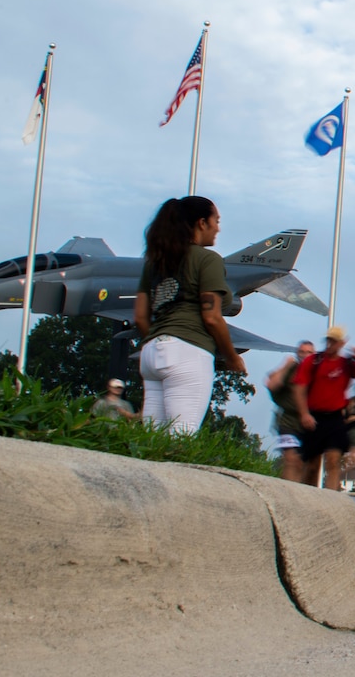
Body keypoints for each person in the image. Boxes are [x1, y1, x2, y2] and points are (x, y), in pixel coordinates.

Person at [133, 196, 246, 433]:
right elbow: (212, 316)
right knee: (181, 436)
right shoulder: (207, 260)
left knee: (151, 438)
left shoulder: (153, 263)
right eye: (216, 220)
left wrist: (160, 338)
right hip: (188, 352)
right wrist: (231, 356)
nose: (218, 228)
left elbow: (141, 318)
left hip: (151, 352)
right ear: (201, 223)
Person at [292, 326, 355, 496]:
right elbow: (299, 387)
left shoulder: (346, 364)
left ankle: (332, 498)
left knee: (333, 459)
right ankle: (308, 497)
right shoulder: (314, 361)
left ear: (342, 343)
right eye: (328, 340)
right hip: (314, 416)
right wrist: (304, 414)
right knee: (312, 465)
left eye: (334, 341)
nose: (330, 344)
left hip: (335, 417)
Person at [265, 341, 316, 482]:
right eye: (302, 352)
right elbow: (271, 384)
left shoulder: (317, 371)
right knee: (291, 459)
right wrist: (286, 365)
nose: (305, 355)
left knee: (304, 464)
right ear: (297, 353)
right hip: (288, 421)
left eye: (309, 352)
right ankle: (287, 493)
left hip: (310, 422)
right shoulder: (291, 368)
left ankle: (298, 493)